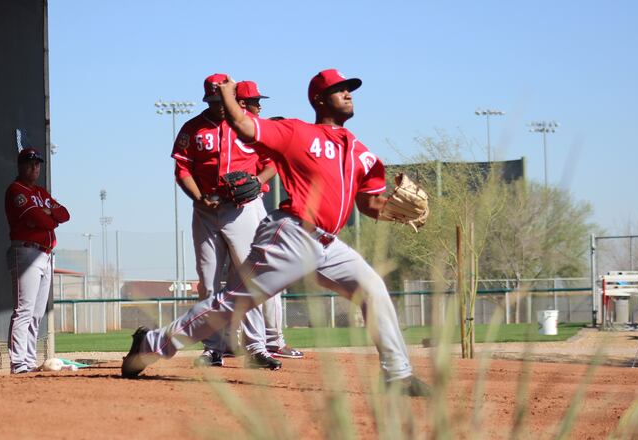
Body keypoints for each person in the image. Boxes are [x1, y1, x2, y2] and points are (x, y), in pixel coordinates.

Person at [123, 69, 429, 396]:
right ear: (319, 99)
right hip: (291, 233)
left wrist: (393, 213)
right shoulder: (297, 132)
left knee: (372, 289)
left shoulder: (361, 153)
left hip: (328, 243)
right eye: (339, 89)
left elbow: (369, 204)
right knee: (233, 303)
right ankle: (150, 344)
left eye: (349, 89)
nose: (348, 94)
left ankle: (397, 374)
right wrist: (229, 94)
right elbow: (244, 124)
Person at [169, 73, 280, 370]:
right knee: (208, 281)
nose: (219, 106)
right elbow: (182, 168)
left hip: (241, 208)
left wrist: (257, 182)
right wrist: (197, 197)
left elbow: (272, 163)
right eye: (213, 101)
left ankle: (256, 346)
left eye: (222, 100)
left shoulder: (249, 124)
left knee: (249, 276)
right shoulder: (193, 128)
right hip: (206, 209)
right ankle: (214, 348)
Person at [235, 81, 303, 359]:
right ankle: (234, 342)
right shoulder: (228, 133)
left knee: (264, 271)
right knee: (237, 278)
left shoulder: (256, 133)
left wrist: (257, 179)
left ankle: (272, 339)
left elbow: (273, 162)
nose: (259, 105)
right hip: (223, 210)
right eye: (253, 101)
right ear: (240, 104)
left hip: (251, 206)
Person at [5, 148, 70, 374]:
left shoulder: (41, 192)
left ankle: (29, 360)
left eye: (38, 164)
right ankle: (18, 363)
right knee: (24, 310)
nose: (35, 168)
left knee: (37, 313)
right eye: (30, 163)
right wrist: (47, 215)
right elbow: (43, 220)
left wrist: (48, 213)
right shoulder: (16, 190)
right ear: (20, 166)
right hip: (26, 252)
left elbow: (64, 214)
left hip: (45, 254)